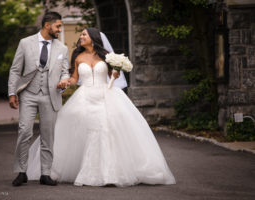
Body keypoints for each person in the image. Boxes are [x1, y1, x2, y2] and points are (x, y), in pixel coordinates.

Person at [27, 28, 176, 187]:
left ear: (93, 37)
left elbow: (112, 76)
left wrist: (115, 74)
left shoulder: (107, 56)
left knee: (104, 130)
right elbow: (74, 78)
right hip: (84, 97)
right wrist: (65, 82)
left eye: (84, 34)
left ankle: (109, 172)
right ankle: (79, 169)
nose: (81, 37)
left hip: (106, 96)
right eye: (81, 34)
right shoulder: (77, 56)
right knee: (83, 130)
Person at [8, 12, 70, 187]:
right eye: (58, 26)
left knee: (48, 136)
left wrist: (64, 81)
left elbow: (65, 71)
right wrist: (12, 93)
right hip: (28, 93)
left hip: (51, 95)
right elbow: (15, 70)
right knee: (24, 132)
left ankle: (46, 173)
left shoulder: (62, 48)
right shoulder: (25, 43)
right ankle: (21, 172)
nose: (60, 29)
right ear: (47, 25)